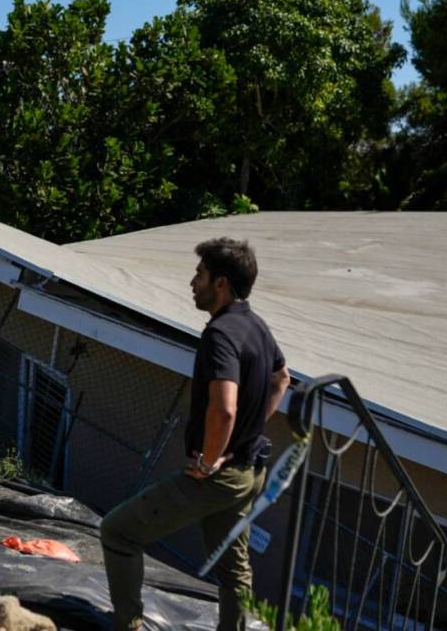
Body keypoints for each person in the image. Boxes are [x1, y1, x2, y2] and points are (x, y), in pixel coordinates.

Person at [100, 237, 291, 631]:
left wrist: (207, 459)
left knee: (118, 532)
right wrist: (248, 431)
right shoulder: (256, 326)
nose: (192, 282)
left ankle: (128, 625)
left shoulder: (220, 335)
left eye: (199, 274)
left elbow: (224, 408)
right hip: (250, 471)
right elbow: (281, 378)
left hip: (218, 477)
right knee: (233, 567)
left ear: (221, 283)